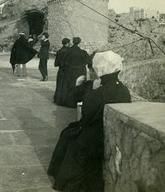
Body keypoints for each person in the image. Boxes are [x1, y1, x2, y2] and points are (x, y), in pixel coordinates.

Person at [48, 50, 131, 192]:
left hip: (94, 135)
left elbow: (87, 114)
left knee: (68, 136)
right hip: (111, 132)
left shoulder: (99, 91)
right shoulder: (123, 89)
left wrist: (84, 88)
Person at [62, 37, 92, 108]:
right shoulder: (83, 52)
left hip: (70, 71)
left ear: (73, 42)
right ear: (79, 42)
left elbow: (64, 62)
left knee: (70, 86)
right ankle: (78, 102)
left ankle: (69, 103)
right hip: (80, 71)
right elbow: (89, 62)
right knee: (79, 86)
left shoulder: (68, 51)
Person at [53, 38, 71, 105]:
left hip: (60, 70)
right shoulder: (69, 51)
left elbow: (56, 63)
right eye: (69, 42)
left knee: (59, 85)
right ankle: (63, 100)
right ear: (67, 43)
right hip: (67, 70)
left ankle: (57, 99)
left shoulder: (59, 51)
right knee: (65, 85)